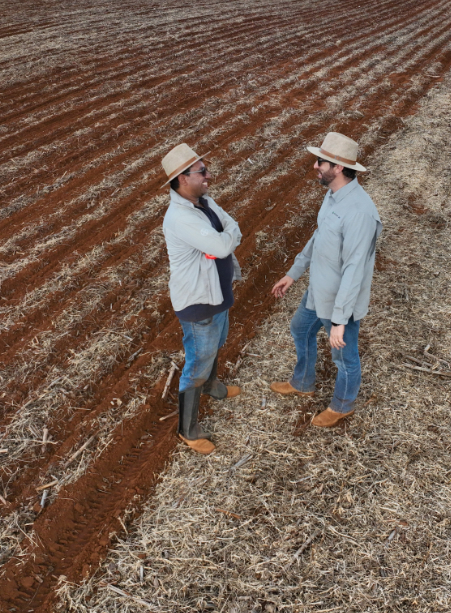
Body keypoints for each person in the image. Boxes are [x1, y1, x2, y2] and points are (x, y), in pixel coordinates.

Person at [270, 132, 382, 427]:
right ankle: (303, 382)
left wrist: (341, 320)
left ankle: (343, 404)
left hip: (339, 302)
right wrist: (293, 274)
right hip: (318, 290)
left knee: (343, 357)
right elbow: (319, 239)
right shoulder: (332, 197)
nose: (315, 166)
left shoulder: (359, 212)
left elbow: (355, 269)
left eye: (321, 162)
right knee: (300, 329)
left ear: (339, 168)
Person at [161, 143, 243, 455]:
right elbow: (224, 245)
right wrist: (225, 238)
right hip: (198, 302)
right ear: (183, 178)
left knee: (215, 343)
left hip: (217, 293)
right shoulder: (181, 218)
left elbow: (231, 227)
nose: (209, 175)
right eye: (202, 171)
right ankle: (188, 429)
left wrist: (225, 236)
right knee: (197, 360)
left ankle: (212, 386)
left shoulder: (204, 201)